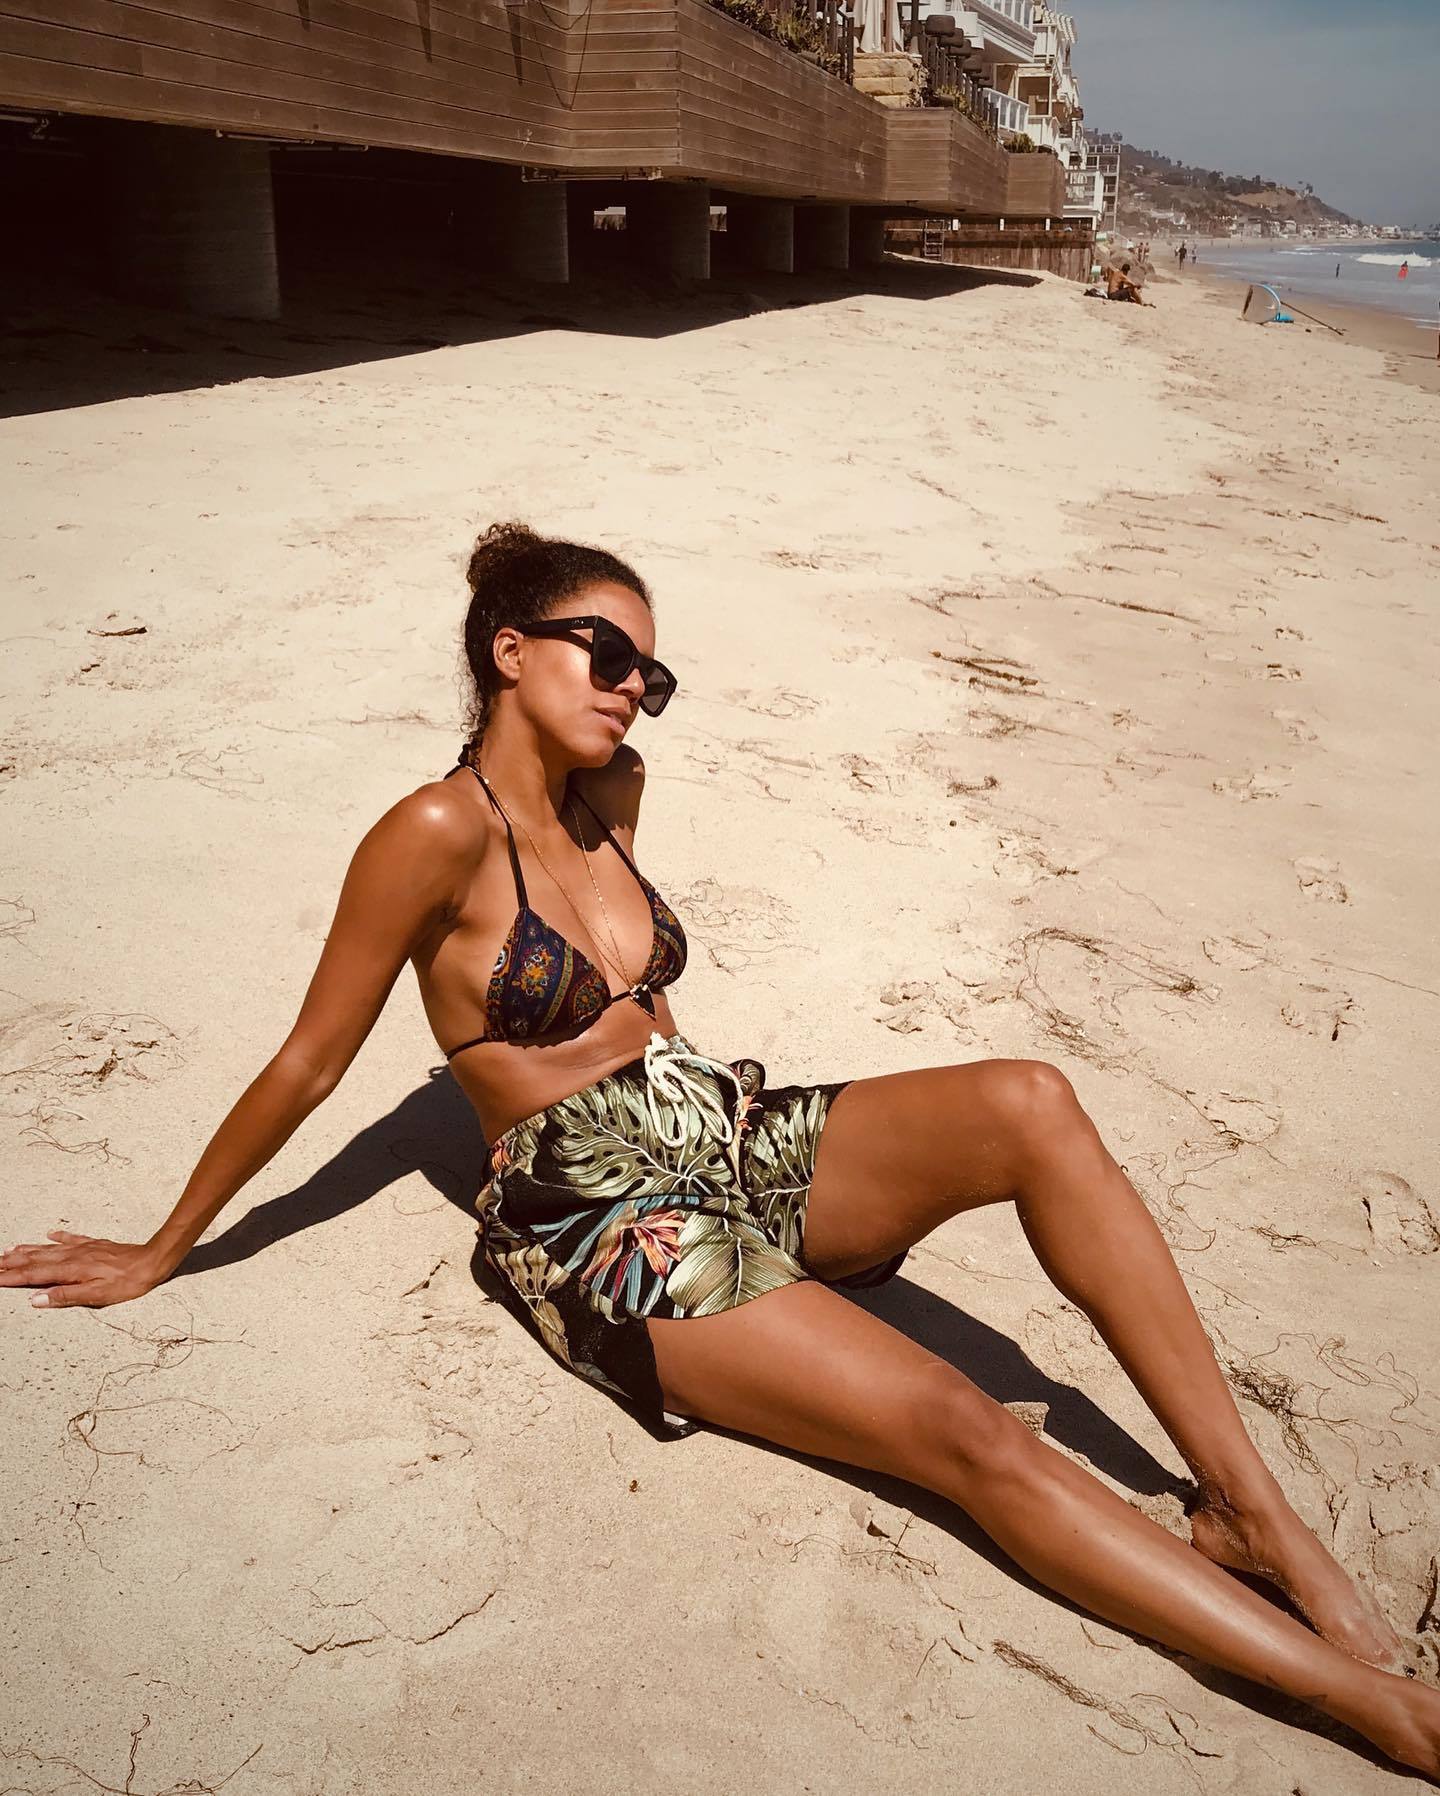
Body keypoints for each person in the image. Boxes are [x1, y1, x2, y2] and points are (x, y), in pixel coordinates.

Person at [6, 521, 1439, 1779]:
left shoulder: (610, 794)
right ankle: (1368, 1703)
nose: (633, 689)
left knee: (1031, 1099)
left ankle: (1254, 1514)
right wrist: (166, 1246)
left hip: (719, 1128)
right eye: (607, 655)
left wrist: (743, 1144)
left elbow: (646, 1004)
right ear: (509, 650)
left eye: (651, 673)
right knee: (961, 1429)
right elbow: (310, 1062)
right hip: (600, 1210)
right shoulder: (433, 832)